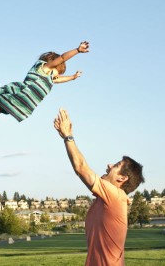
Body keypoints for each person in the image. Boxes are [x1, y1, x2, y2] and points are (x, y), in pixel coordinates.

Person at [54, 109, 145, 266]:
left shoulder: (115, 196)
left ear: (122, 178)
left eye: (116, 165)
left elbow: (81, 168)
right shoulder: (109, 199)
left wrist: (68, 136)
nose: (109, 165)